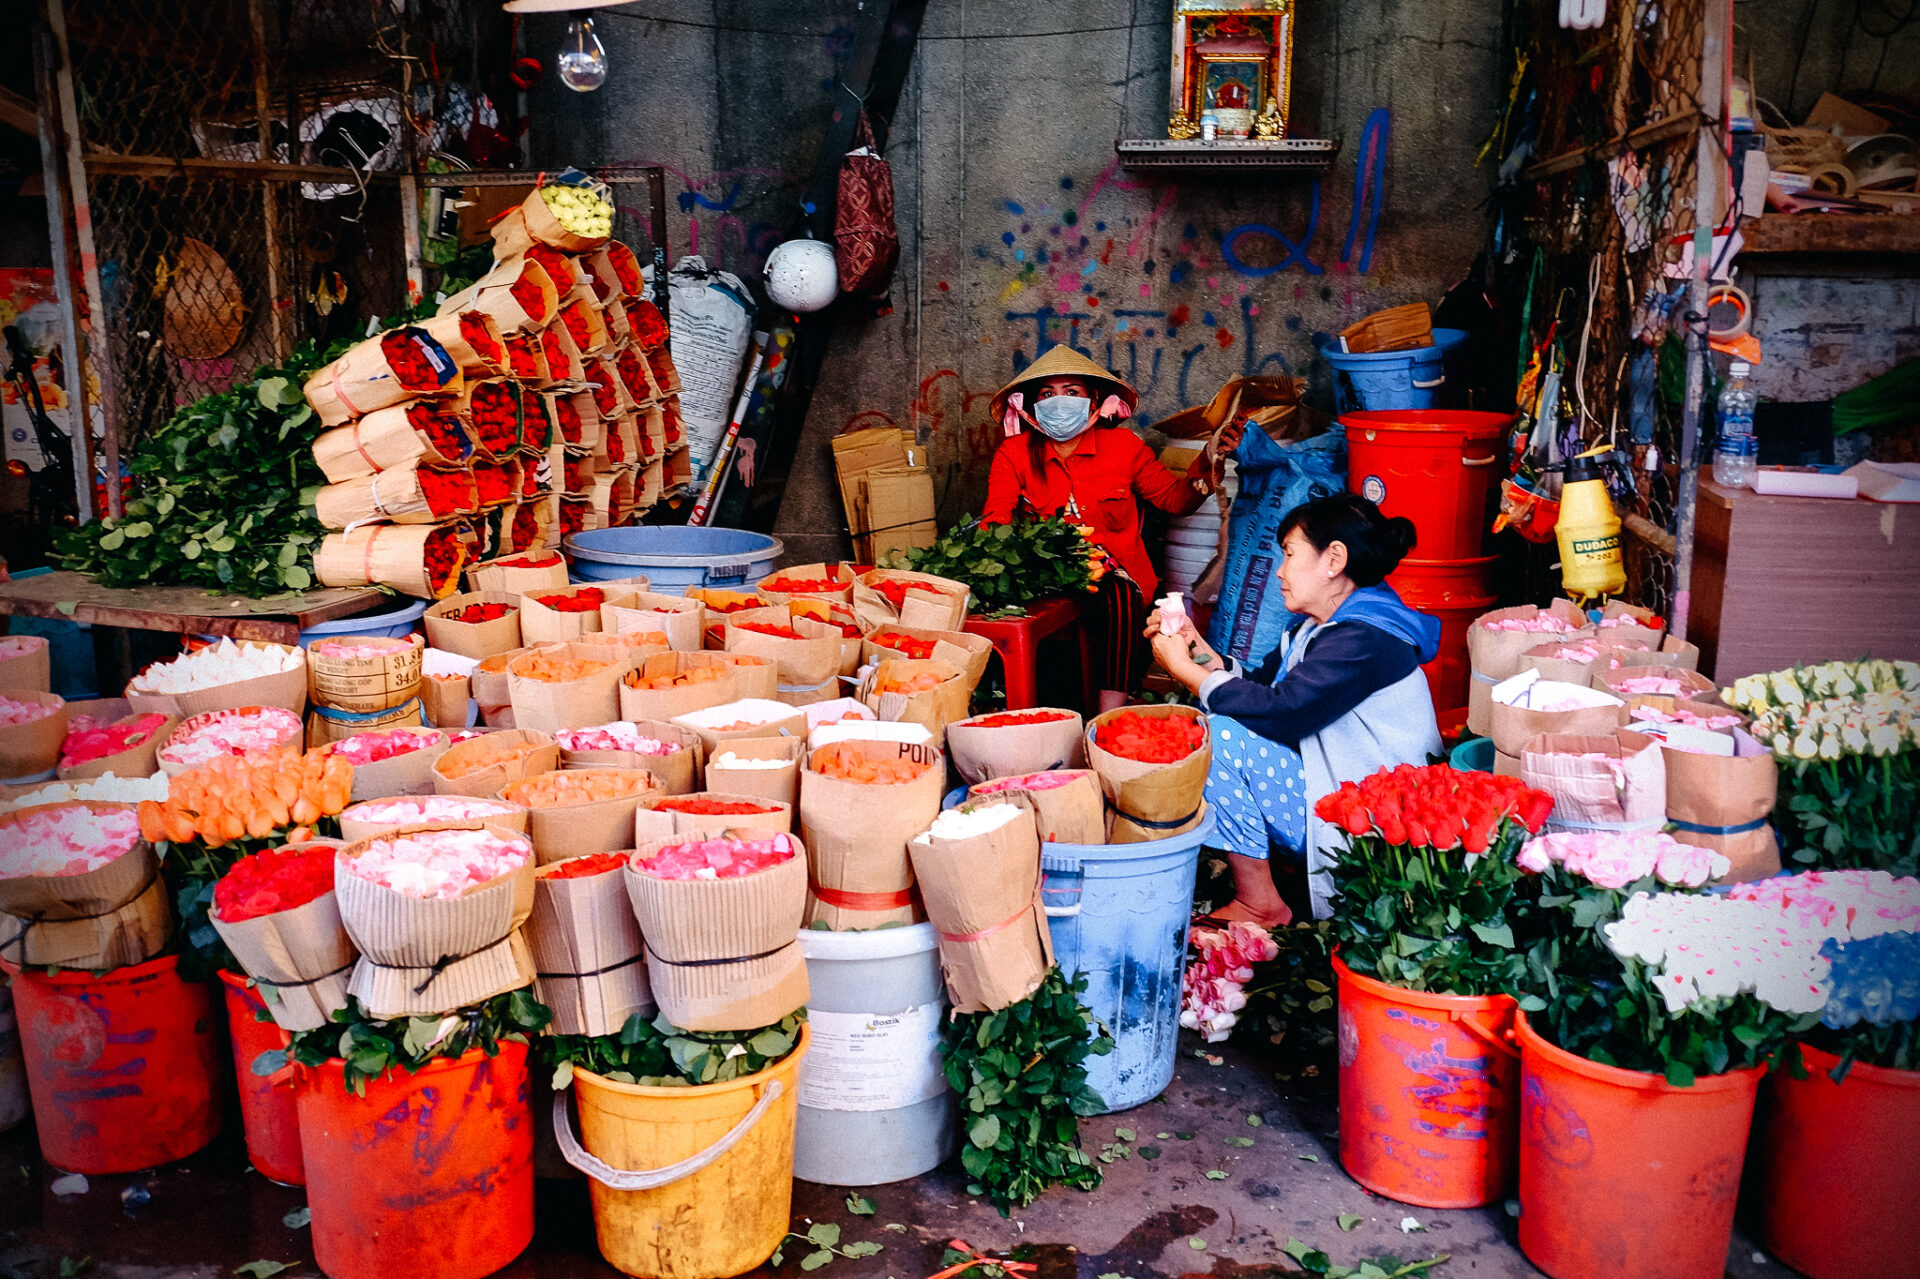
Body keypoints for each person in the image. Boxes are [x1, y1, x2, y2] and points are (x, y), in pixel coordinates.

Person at [1145, 493, 1441, 925]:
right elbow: (1261, 688)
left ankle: (1260, 903)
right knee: (1220, 724)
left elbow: (1283, 712)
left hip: (1375, 826)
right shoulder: (1319, 629)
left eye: (1289, 554)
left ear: (1334, 559)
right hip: (1337, 790)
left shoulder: (1365, 639)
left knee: (1218, 736)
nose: (1280, 572)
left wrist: (1188, 673)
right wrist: (1200, 653)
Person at [982, 348, 1237, 711]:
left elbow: (1175, 500)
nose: (1059, 402)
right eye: (1047, 394)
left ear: (1095, 401)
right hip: (1045, 573)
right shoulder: (1015, 453)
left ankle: (1110, 712)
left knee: (1116, 587)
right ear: (1030, 407)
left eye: (1072, 392)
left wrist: (1210, 459)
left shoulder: (1124, 447)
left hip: (1118, 579)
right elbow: (996, 521)